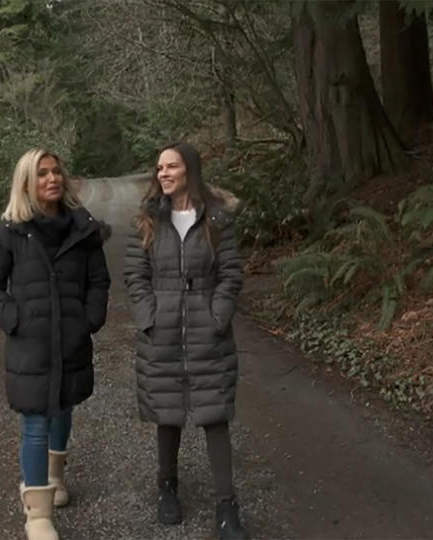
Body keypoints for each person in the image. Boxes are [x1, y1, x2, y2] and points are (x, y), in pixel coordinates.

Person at [0, 148, 110, 540]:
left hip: (71, 340)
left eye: (56, 171)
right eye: (42, 174)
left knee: (64, 406)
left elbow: (99, 280)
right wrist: (15, 319)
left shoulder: (83, 230)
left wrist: (90, 318)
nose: (52, 178)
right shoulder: (10, 232)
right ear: (26, 183)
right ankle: (37, 515)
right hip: (30, 346)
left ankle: (55, 478)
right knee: (35, 421)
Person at [123, 142, 249, 540]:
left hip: (207, 331)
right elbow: (135, 276)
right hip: (161, 332)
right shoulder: (146, 220)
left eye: (171, 166)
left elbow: (231, 274)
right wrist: (149, 317)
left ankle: (227, 507)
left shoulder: (216, 219)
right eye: (159, 167)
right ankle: (166, 488)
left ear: (189, 171)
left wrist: (217, 315)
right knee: (168, 412)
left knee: (215, 416)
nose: (162, 173)